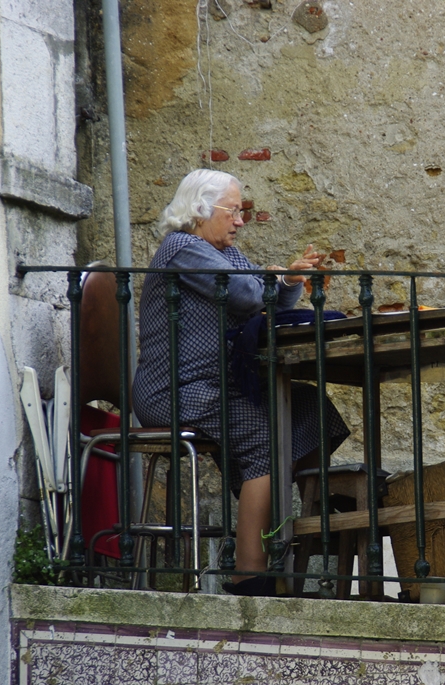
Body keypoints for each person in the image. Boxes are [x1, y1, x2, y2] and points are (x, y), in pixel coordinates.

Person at [133, 169, 350, 596]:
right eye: (233, 210)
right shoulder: (182, 249)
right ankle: (249, 571)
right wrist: (272, 281)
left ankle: (290, 520)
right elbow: (250, 296)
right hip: (176, 389)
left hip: (221, 385)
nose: (240, 220)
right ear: (201, 209)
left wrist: (287, 281)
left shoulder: (225, 255)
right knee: (265, 436)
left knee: (310, 407)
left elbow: (264, 300)